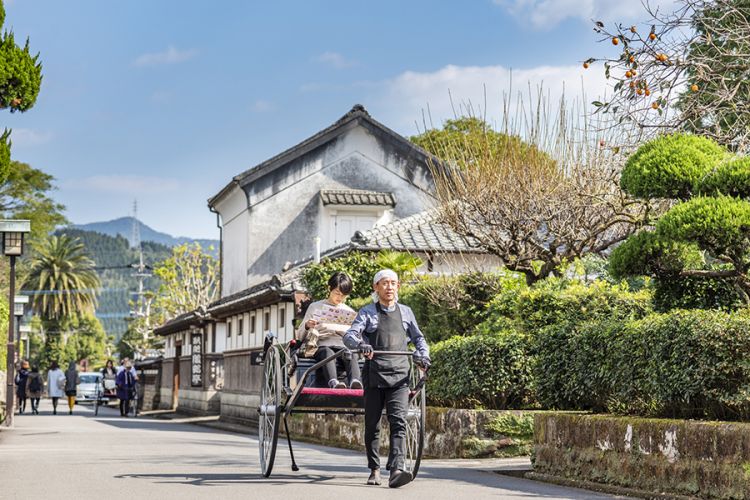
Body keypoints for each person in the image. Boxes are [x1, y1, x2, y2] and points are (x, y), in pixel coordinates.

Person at [344, 269, 430, 488]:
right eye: (384, 283)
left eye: (393, 283)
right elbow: (350, 335)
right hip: (374, 375)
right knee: (372, 424)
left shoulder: (406, 312)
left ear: (398, 287)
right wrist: (360, 344)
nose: (389, 287)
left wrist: (423, 356)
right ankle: (374, 468)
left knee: (398, 422)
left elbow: (419, 340)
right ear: (376, 287)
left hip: (400, 375)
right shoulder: (367, 312)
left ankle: (396, 470)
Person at [295, 272, 362, 389]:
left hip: (342, 346)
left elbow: (356, 336)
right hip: (321, 345)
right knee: (327, 352)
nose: (340, 298)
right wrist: (307, 325)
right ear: (329, 288)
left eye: (343, 295)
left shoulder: (349, 311)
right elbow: (300, 336)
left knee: (350, 354)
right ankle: (333, 382)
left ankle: (355, 382)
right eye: (337, 293)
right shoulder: (315, 307)